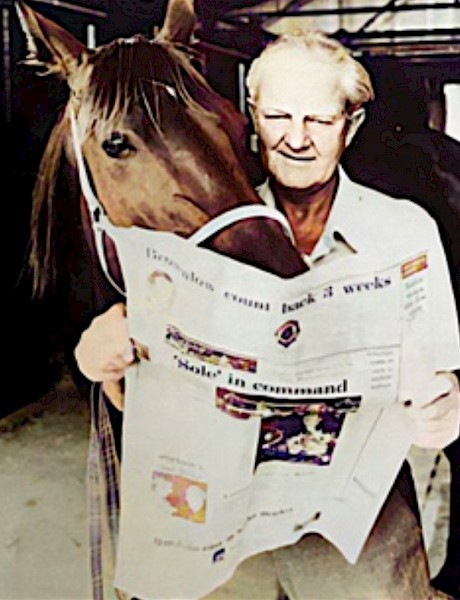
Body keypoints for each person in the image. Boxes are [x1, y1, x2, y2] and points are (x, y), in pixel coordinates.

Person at [75, 31, 460, 599]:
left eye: (319, 120)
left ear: (350, 125)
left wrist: (444, 411)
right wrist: (100, 356)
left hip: (350, 524)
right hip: (216, 518)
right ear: (253, 116)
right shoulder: (202, 223)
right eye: (279, 116)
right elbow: (138, 381)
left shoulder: (404, 232)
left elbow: (442, 385)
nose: (297, 139)